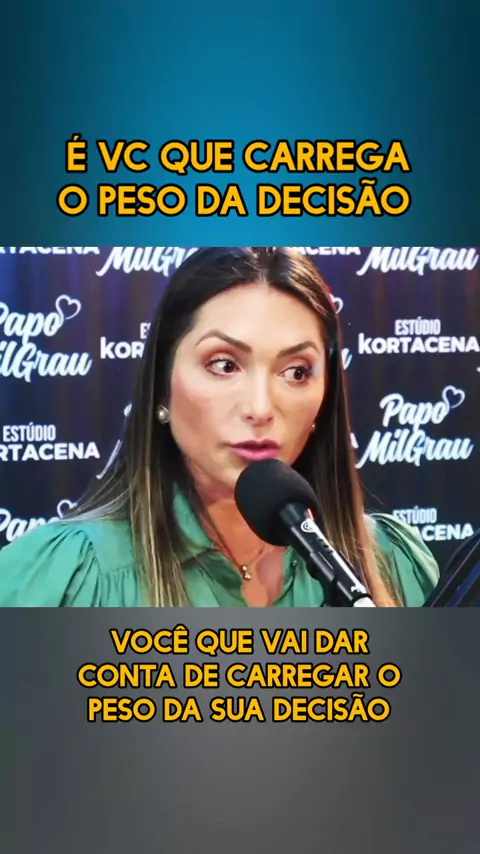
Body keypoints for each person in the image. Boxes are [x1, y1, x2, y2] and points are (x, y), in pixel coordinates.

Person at [0, 247, 439, 607]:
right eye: (224, 365)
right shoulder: (65, 580)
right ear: (162, 387)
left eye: (296, 372)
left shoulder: (393, 565)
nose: (260, 408)